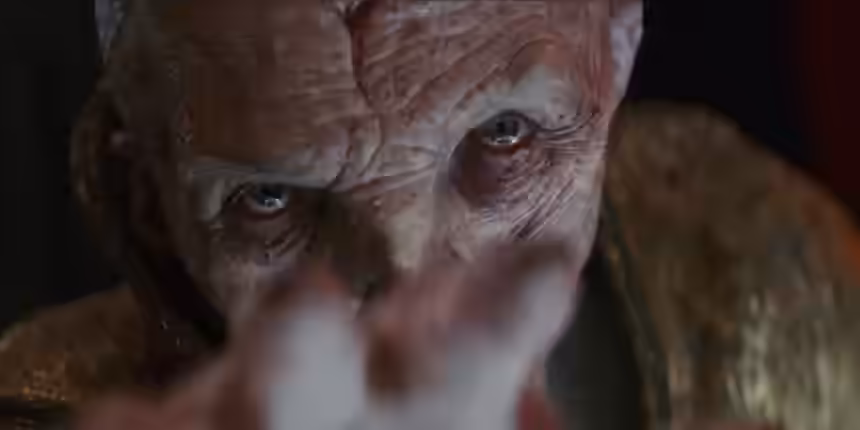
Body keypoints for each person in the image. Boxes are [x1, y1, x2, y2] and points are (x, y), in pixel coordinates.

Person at [1, 1, 857, 429]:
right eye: (270, 199)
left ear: (620, 49)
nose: (413, 288)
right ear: (149, 199)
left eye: (506, 136)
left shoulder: (762, 266)